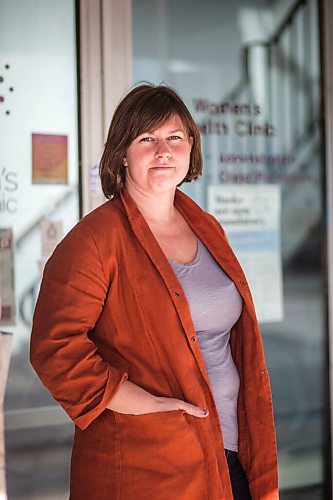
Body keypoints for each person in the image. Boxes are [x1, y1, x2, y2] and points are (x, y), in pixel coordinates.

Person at [30, 84, 279, 500]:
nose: (163, 150)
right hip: (150, 467)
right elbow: (54, 348)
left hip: (231, 452)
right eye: (147, 139)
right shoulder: (94, 240)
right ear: (122, 154)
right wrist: (142, 402)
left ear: (190, 149)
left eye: (174, 138)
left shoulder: (207, 227)